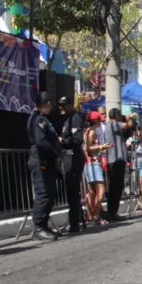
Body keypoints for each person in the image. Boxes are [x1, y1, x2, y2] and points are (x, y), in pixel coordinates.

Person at [27, 92, 62, 240]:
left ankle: (44, 225)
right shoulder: (38, 119)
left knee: (50, 193)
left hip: (47, 160)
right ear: (47, 103)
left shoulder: (43, 119)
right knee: (43, 192)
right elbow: (41, 142)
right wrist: (55, 151)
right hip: (41, 159)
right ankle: (38, 227)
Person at [58, 97, 86, 233]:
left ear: (70, 105)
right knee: (71, 192)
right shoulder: (68, 119)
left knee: (73, 192)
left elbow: (77, 139)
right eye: (59, 105)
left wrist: (62, 140)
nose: (61, 108)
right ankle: (76, 219)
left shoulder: (75, 118)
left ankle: (74, 223)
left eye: (63, 105)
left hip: (73, 157)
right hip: (68, 157)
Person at [103, 109, 136, 222]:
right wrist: (129, 118)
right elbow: (129, 125)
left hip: (116, 161)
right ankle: (111, 213)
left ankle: (113, 212)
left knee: (116, 188)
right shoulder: (113, 124)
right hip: (115, 161)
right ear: (117, 116)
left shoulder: (111, 126)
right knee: (115, 188)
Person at [83, 111, 109, 225]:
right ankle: (96, 215)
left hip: (90, 162)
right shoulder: (92, 131)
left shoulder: (88, 131)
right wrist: (102, 146)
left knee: (92, 190)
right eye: (99, 120)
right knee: (101, 189)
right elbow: (87, 147)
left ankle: (90, 215)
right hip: (93, 163)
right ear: (95, 121)